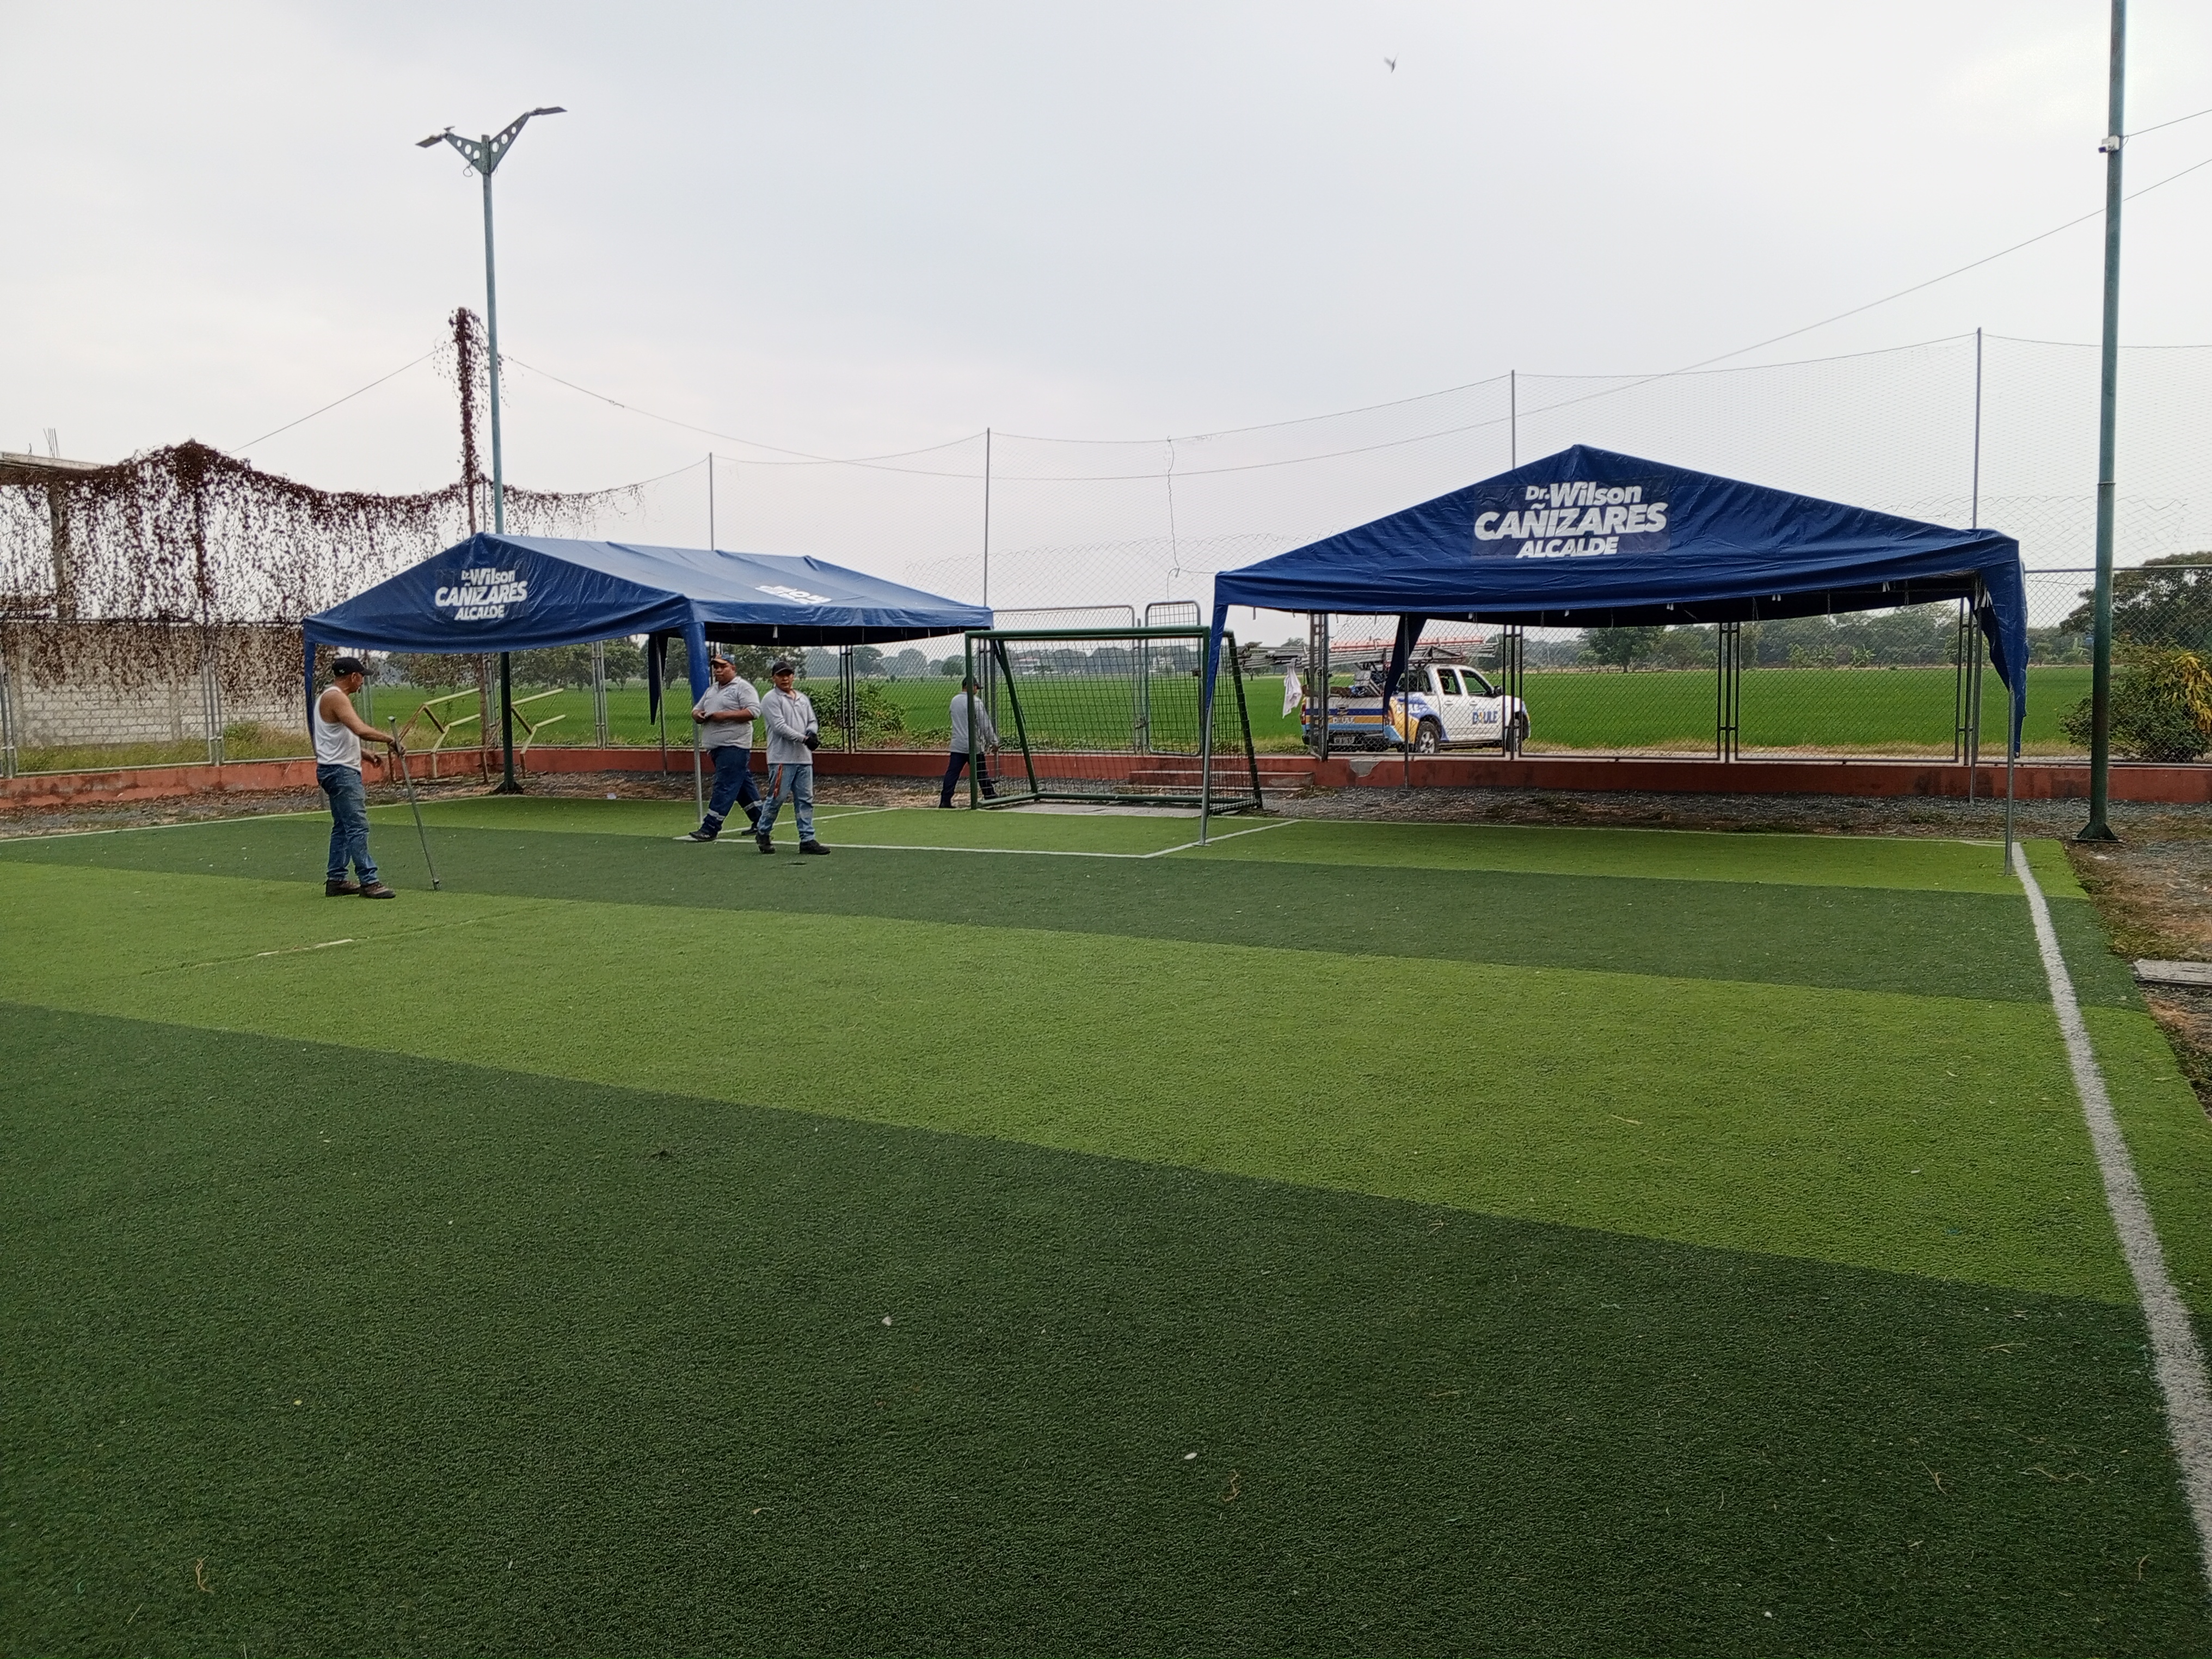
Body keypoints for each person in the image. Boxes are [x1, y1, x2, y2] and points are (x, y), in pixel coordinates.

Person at [314, 656, 406, 898]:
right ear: (354, 676)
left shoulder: (329, 696)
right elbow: (359, 729)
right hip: (341, 773)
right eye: (361, 677)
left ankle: (336, 879)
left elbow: (334, 737)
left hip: (333, 769)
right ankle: (369, 881)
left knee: (343, 826)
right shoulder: (336, 697)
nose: (362, 682)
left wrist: (363, 753)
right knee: (357, 826)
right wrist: (390, 740)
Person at [684, 653, 762, 841]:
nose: (718, 670)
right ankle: (761, 820)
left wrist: (724, 716)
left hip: (734, 746)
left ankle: (710, 827)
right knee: (741, 785)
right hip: (717, 748)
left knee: (725, 786)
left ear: (733, 668)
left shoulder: (743, 687)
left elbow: (754, 712)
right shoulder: (712, 690)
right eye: (716, 667)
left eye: (723, 666)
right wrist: (697, 715)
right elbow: (697, 708)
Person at [754, 660, 828, 855]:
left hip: (803, 758)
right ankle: (763, 831)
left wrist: (812, 733)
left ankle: (807, 839)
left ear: (793, 676)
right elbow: (780, 727)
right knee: (777, 798)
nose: (785, 678)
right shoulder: (770, 699)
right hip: (782, 758)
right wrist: (804, 739)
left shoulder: (802, 698)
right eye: (781, 675)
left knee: (805, 799)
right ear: (774, 678)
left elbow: (812, 720)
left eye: (788, 674)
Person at [941, 674, 1000, 807]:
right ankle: (990, 796)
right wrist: (994, 742)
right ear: (971, 687)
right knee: (981, 772)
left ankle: (945, 800)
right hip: (974, 745)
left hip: (958, 744)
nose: (977, 690)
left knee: (952, 773)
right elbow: (985, 724)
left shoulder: (954, 701)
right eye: (976, 687)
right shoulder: (976, 702)